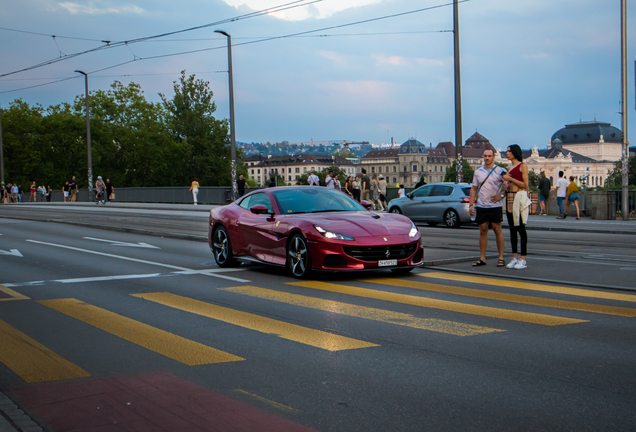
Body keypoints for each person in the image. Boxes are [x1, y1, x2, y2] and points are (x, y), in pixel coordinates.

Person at [469, 149, 507, 267]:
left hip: (495, 206)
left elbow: (508, 187)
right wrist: (471, 204)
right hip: (482, 205)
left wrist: (501, 196)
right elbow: (474, 188)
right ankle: (482, 258)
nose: (487, 158)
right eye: (485, 156)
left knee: (497, 229)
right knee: (482, 231)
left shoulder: (501, 171)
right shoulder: (478, 172)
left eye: (489, 156)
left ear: (493, 157)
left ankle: (501, 257)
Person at [502, 144, 531, 270]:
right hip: (509, 197)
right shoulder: (510, 166)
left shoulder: (522, 166)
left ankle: (523, 259)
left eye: (509, 151)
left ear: (514, 153)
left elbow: (525, 185)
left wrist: (510, 179)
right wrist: (506, 185)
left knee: (520, 228)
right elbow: (510, 182)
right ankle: (515, 257)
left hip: (518, 198)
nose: (507, 153)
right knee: (512, 229)